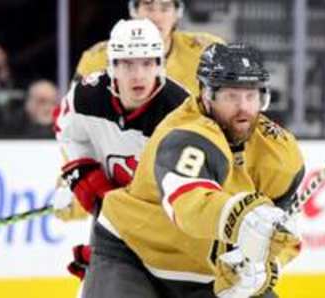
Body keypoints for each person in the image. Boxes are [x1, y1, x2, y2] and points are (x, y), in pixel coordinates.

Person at [83, 43, 305, 298]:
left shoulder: (277, 152)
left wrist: (265, 268)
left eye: (251, 96)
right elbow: (189, 204)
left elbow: (285, 232)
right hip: (133, 255)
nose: (243, 108)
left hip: (206, 274)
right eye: (231, 96)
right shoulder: (186, 133)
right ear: (206, 95)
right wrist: (243, 218)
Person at [53, 18, 189, 279]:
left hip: (166, 228)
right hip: (111, 217)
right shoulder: (86, 97)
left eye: (147, 63)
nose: (138, 74)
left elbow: (184, 197)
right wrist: (85, 178)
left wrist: (120, 245)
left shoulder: (181, 113)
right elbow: (69, 134)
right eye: (127, 63)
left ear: (160, 65)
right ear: (112, 66)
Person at [75, 0, 224, 97]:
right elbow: (75, 114)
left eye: (165, 8)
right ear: (134, 11)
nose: (156, 17)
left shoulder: (206, 52)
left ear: (177, 13)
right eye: (148, 6)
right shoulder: (99, 57)